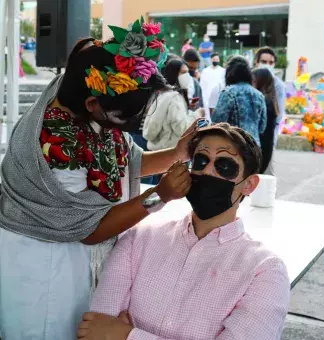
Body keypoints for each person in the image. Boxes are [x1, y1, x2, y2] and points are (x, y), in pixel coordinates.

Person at [0, 18, 195, 340]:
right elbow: (89, 231)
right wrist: (159, 196)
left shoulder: (87, 110)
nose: (130, 126)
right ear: (94, 103)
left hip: (75, 258)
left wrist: (178, 152)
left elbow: (124, 165)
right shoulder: (57, 138)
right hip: (45, 264)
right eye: (126, 118)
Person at [78, 123, 291, 340]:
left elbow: (107, 332)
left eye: (225, 166)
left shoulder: (265, 270)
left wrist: (127, 335)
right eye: (201, 160)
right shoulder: (138, 239)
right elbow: (97, 329)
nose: (208, 170)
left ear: (249, 185)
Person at [143, 59, 204, 153]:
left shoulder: (163, 93)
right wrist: (197, 115)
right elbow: (182, 129)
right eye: (183, 72)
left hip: (158, 150)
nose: (187, 76)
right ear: (174, 74)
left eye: (188, 72)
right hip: (170, 152)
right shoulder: (175, 98)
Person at [212, 56, 267, 146]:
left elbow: (217, 122)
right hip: (254, 147)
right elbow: (262, 127)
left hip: (233, 146)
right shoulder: (259, 95)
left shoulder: (228, 93)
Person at [255, 47, 286, 175]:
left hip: (268, 135)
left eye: (271, 62)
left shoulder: (278, 85)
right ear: (257, 62)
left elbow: (279, 114)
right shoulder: (251, 80)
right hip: (249, 135)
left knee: (266, 175)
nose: (267, 65)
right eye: (264, 61)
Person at [252, 68, 280, 173]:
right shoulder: (271, 101)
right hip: (266, 149)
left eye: (254, 80)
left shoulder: (263, 103)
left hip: (261, 150)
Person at [200, 52, 225, 119]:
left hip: (218, 93)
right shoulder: (205, 71)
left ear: (219, 60)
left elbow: (224, 82)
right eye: (214, 59)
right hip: (208, 94)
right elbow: (202, 83)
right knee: (208, 109)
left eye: (217, 59)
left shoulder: (222, 71)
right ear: (211, 59)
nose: (215, 61)